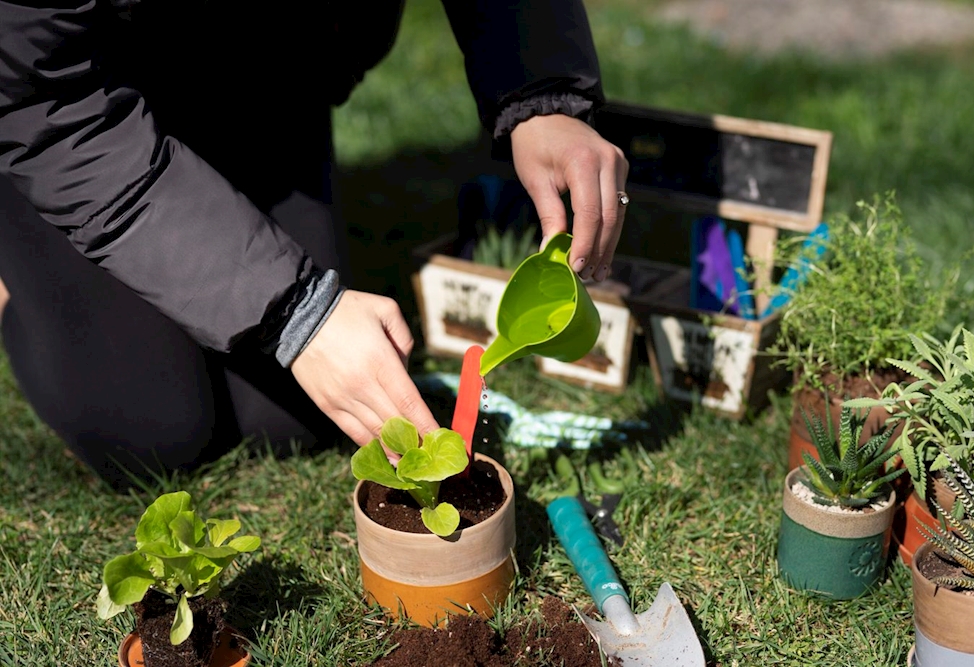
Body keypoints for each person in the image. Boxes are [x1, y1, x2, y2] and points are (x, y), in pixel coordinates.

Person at [0, 0, 629, 490]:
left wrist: (540, 96)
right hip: (65, 112)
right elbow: (39, 100)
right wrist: (296, 312)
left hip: (256, 62)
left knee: (290, 422)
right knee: (150, 432)